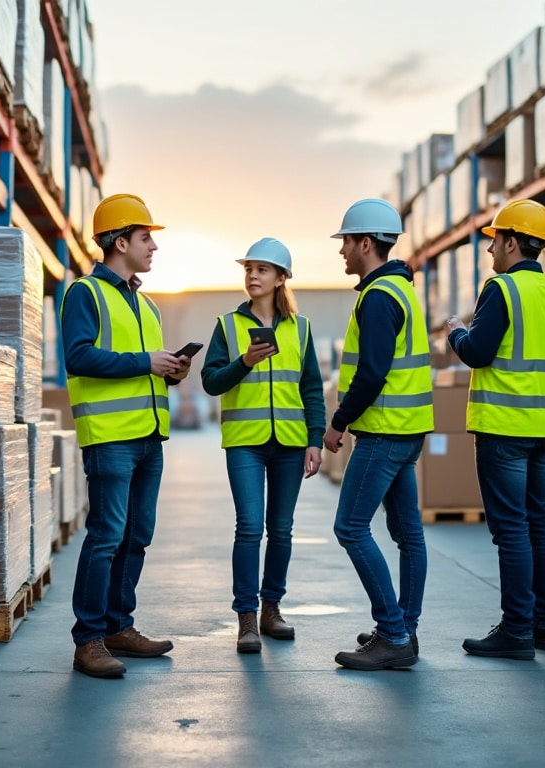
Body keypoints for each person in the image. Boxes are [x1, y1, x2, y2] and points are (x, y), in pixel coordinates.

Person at [62, 193, 192, 679]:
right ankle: (89, 639)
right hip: (110, 437)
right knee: (106, 537)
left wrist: (171, 371)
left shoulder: (147, 305)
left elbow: (145, 368)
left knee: (137, 536)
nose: (153, 247)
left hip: (149, 436)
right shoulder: (85, 294)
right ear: (120, 242)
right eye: (145, 238)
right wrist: (145, 362)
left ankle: (119, 626)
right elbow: (78, 356)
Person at [445, 198, 545, 661]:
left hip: (503, 428)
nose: (490, 251)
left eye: (494, 241)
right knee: (539, 524)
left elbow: (477, 352)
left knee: (511, 531)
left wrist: (456, 332)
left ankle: (517, 631)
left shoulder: (501, 290)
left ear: (510, 241)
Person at [199, 238, 326, 654]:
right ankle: (246, 619)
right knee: (250, 527)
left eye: (262, 269)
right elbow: (211, 381)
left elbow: (311, 389)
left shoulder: (301, 329)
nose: (252, 275)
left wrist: (314, 440)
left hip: (290, 444)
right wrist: (246, 362)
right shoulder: (228, 326)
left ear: (280, 278)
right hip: (246, 445)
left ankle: (272, 609)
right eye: (248, 268)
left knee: (282, 531)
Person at [323, 198, 433, 671]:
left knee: (349, 526)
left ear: (366, 243)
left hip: (384, 432)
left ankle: (392, 632)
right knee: (409, 534)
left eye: (346, 242)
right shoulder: (402, 290)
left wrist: (338, 421)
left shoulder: (379, 298)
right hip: (408, 431)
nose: (342, 251)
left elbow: (370, 374)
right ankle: (404, 629)